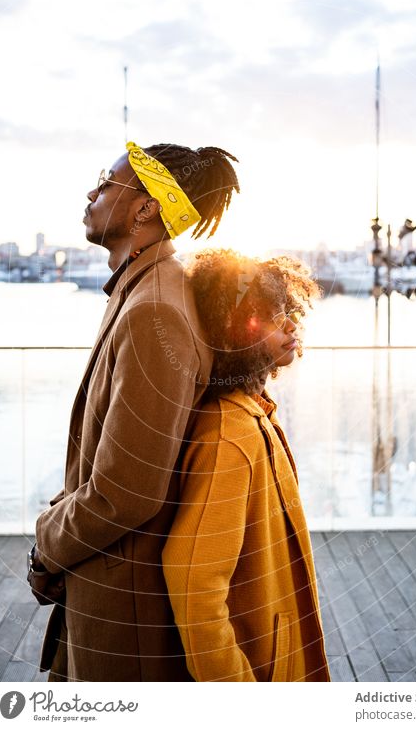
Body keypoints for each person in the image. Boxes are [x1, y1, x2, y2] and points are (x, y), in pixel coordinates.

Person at [27, 141, 239, 682]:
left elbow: (128, 490)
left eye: (106, 180)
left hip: (126, 615)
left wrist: (49, 547)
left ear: (146, 208)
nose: (92, 191)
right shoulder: (142, 292)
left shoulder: (154, 312)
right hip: (104, 582)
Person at [162, 249, 330, 681]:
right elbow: (195, 588)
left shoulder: (254, 413)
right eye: (272, 317)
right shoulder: (229, 436)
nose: (292, 325)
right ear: (235, 329)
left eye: (289, 311)